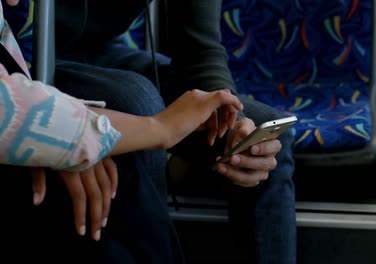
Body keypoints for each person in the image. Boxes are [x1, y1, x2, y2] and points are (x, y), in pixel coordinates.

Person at [4, 0, 297, 263]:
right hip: (20, 62)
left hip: (99, 53)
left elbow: (200, 48)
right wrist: (69, 128)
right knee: (139, 103)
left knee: (264, 133)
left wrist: (232, 117)